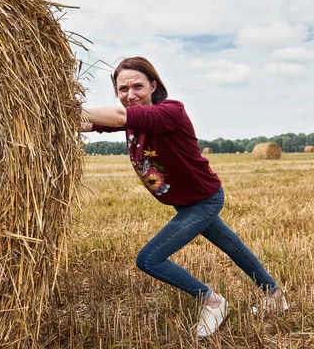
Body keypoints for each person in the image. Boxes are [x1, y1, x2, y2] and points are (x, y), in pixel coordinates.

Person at [80, 56, 288, 338]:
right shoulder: (134, 120)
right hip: (185, 201)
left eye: (137, 86)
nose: (130, 95)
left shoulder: (170, 112)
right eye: (122, 89)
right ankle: (274, 295)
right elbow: (89, 124)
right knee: (233, 246)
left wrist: (65, 105)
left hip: (205, 199)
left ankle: (212, 301)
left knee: (149, 259)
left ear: (154, 85)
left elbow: (118, 116)